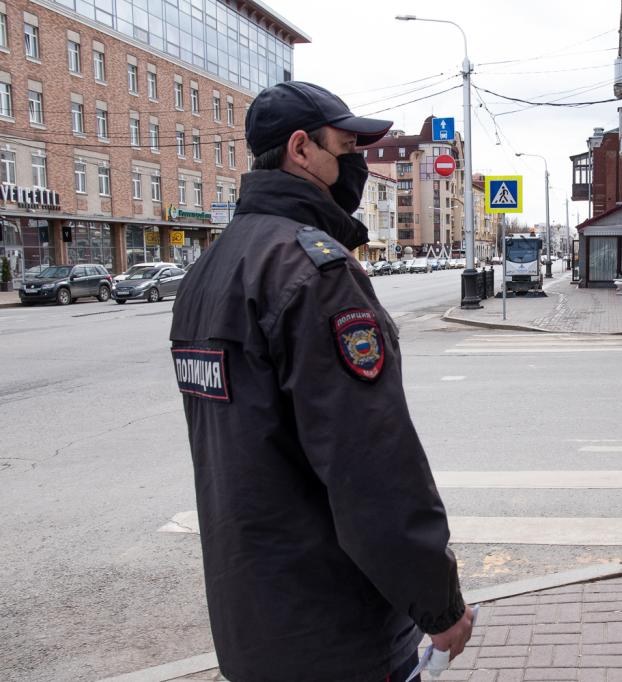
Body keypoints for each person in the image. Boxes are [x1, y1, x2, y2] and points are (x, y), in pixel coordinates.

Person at [170, 81, 473, 682]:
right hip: (334, 631)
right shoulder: (315, 273)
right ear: (301, 149)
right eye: (348, 147)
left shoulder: (210, 269)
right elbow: (371, 466)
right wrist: (439, 606)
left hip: (252, 622)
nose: (357, 163)